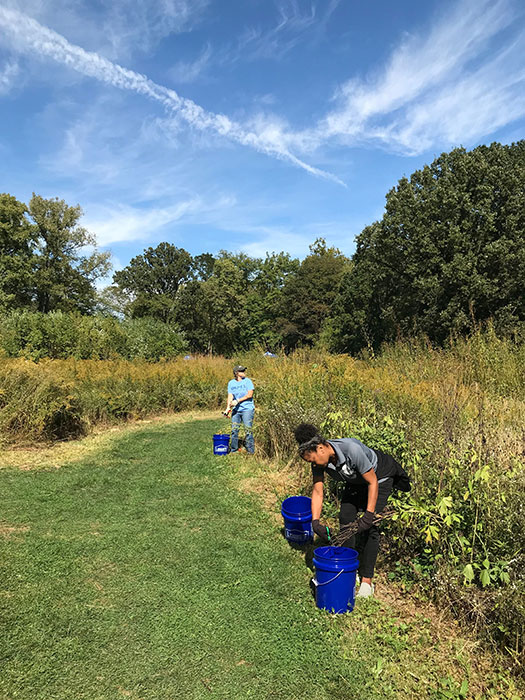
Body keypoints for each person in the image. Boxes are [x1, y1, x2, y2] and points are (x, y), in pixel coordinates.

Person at [294, 423, 410, 598]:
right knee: (346, 517)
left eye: (312, 460)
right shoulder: (319, 461)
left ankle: (367, 581)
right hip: (356, 481)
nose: (313, 464)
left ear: (320, 448)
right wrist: (315, 522)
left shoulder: (351, 449)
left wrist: (369, 515)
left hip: (379, 477)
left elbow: (372, 482)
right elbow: (318, 490)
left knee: (372, 527)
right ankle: (350, 568)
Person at [223, 365, 255, 454]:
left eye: (244, 370)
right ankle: (234, 450)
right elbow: (230, 396)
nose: (244, 372)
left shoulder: (248, 381)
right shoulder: (231, 383)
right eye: (242, 371)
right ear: (237, 373)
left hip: (247, 409)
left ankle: (251, 450)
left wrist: (237, 400)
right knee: (234, 430)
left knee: (247, 429)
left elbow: (250, 395)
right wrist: (227, 408)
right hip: (236, 410)